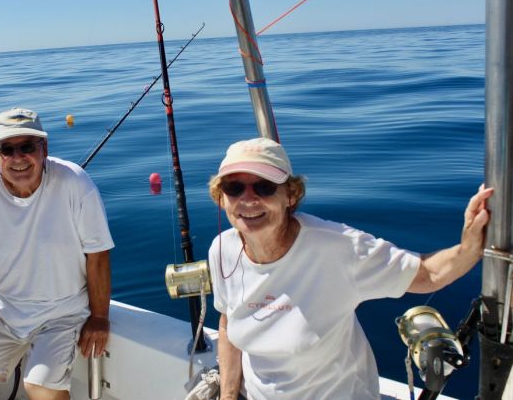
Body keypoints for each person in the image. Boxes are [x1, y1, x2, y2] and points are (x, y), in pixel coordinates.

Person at [207, 137, 493, 400]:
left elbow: (428, 275)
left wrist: (469, 247)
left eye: (264, 186)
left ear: (290, 195)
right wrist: (228, 396)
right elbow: (228, 322)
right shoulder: (222, 250)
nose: (247, 198)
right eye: (234, 188)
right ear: (221, 197)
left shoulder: (339, 248)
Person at [0, 107, 114, 400]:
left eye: (27, 147)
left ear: (44, 148)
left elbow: (98, 255)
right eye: (7, 149)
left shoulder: (75, 182)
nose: (18, 158)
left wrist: (99, 318)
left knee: (41, 386)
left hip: (62, 313)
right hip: (0, 309)